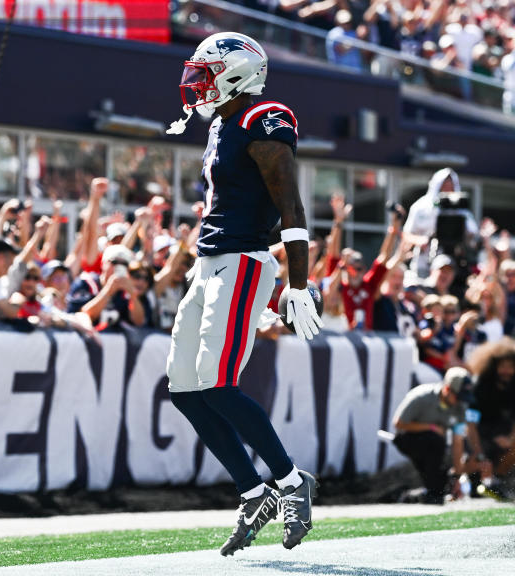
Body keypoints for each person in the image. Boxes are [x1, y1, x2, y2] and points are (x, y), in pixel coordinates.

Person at [167, 31, 321, 556]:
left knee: (218, 382)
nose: (197, 82)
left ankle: (290, 481)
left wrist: (297, 282)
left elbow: (290, 206)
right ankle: (254, 492)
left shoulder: (265, 116)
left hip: (244, 264)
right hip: (209, 264)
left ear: (237, 73)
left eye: (206, 71)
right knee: (184, 387)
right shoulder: (221, 123)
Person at [391, 367, 484, 504]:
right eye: (458, 397)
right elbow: (398, 424)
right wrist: (431, 427)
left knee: (441, 485)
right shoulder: (422, 397)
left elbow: (457, 441)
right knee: (435, 442)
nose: (460, 401)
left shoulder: (460, 407)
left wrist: (457, 476)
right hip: (408, 440)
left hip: (436, 444)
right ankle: (430, 491)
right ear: (447, 389)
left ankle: (412, 495)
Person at [467, 337, 515, 501]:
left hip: (502, 430)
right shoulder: (480, 385)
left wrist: (511, 439)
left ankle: (497, 480)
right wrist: (479, 454)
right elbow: (470, 423)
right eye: (502, 366)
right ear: (493, 367)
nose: (506, 371)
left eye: (511, 367)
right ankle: (474, 481)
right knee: (469, 457)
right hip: (477, 433)